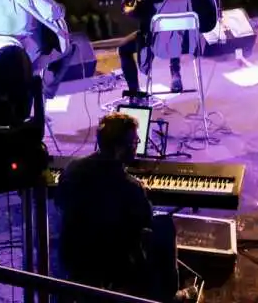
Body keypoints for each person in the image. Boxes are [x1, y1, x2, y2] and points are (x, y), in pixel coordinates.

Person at [57, 113, 196, 302]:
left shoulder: (72, 168)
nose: (137, 146)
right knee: (164, 225)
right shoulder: (130, 187)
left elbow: (60, 202)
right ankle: (168, 295)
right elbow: (145, 222)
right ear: (119, 148)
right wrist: (140, 194)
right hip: (111, 265)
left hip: (72, 256)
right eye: (134, 142)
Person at [117, 0, 220, 97]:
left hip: (159, 44)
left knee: (124, 48)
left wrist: (125, 8)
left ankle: (135, 94)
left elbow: (138, 13)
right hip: (190, 40)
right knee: (174, 25)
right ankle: (175, 74)